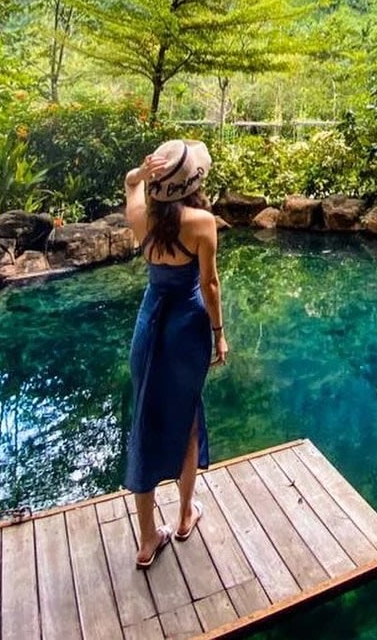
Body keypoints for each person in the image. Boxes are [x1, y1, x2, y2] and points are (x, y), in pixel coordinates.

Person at [122, 138, 229, 569]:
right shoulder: (201, 222)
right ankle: (185, 516)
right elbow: (210, 285)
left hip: (149, 325)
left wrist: (140, 174)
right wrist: (219, 333)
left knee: (145, 419)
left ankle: (148, 539)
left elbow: (130, 183)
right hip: (186, 328)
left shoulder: (141, 217)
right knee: (187, 418)